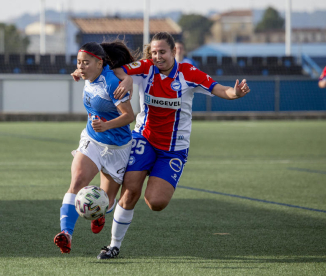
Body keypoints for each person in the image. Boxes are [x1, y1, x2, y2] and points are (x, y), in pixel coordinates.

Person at [96, 32, 251, 259]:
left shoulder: (189, 73)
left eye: (163, 52)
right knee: (130, 191)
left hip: (173, 149)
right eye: (155, 52)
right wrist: (128, 78)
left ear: (174, 52)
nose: (158, 57)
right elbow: (118, 71)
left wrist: (235, 93)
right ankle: (113, 245)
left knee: (156, 202)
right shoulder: (146, 67)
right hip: (144, 139)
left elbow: (219, 89)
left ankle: (149, 181)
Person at [54, 41, 137, 254]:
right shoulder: (88, 73)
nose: (81, 67)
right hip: (92, 140)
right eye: (78, 62)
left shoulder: (112, 83)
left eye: (85, 63)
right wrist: (79, 71)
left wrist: (106, 125)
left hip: (118, 148)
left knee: (107, 202)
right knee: (77, 181)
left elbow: (129, 116)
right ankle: (66, 234)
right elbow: (84, 70)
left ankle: (100, 214)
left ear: (99, 63)